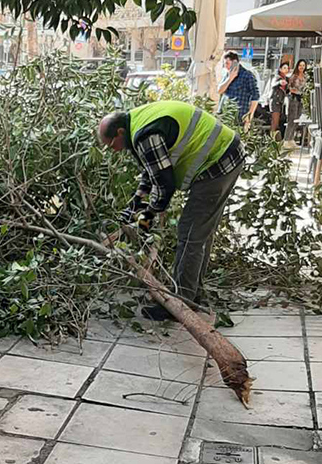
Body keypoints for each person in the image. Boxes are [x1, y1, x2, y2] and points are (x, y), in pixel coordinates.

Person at [97, 100, 245, 320]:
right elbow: (151, 173)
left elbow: (164, 187)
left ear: (119, 132)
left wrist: (146, 219)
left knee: (190, 233)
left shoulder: (145, 135)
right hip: (228, 154)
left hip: (217, 164)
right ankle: (194, 292)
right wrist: (133, 206)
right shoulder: (137, 124)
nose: (114, 151)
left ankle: (182, 303)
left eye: (112, 145)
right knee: (201, 233)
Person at [218, 51, 260, 129]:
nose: (225, 66)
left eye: (227, 63)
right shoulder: (227, 74)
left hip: (239, 116)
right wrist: (230, 78)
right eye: (224, 64)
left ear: (235, 62)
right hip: (225, 114)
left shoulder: (247, 75)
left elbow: (255, 96)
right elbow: (219, 91)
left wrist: (249, 116)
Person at [284, 59, 308, 147]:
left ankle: (291, 138)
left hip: (301, 98)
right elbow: (289, 87)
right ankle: (286, 139)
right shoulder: (293, 76)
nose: (301, 67)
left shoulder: (306, 77)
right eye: (300, 65)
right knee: (292, 118)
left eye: (303, 65)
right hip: (293, 97)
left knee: (297, 118)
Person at [267, 61, 290, 140]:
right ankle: (271, 139)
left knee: (278, 121)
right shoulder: (277, 77)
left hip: (281, 102)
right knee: (275, 122)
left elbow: (287, 90)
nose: (286, 69)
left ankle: (274, 138)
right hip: (275, 101)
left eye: (287, 68)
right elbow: (273, 85)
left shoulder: (287, 79)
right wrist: (279, 82)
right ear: (280, 69)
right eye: (284, 68)